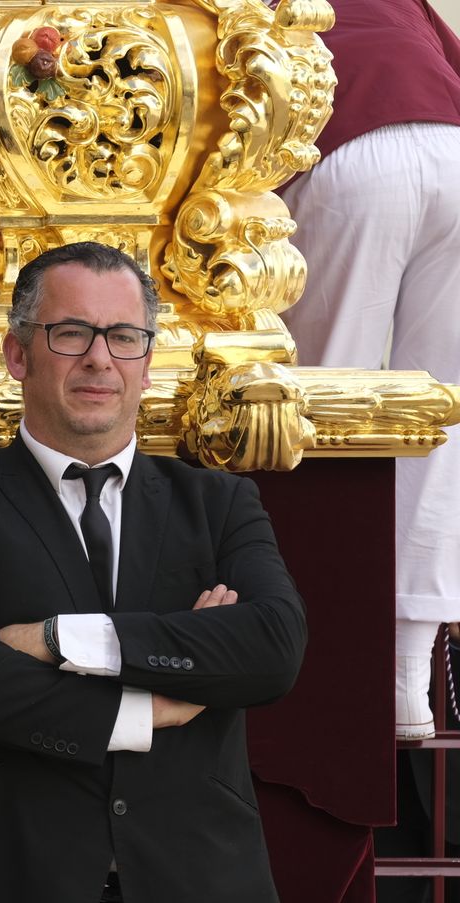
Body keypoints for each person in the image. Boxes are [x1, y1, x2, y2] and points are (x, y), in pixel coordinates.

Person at [0, 242, 308, 903]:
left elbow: (271, 648)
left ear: (146, 363)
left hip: (199, 877)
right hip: (6, 875)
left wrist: (60, 640)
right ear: (18, 354)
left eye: (124, 337)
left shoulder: (220, 503)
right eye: (72, 331)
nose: (100, 357)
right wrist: (147, 707)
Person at [278, 0, 460, 740]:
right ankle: (405, 682)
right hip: (454, 153)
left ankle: (315, 655)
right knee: (439, 418)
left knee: (317, 400)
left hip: (351, 152)